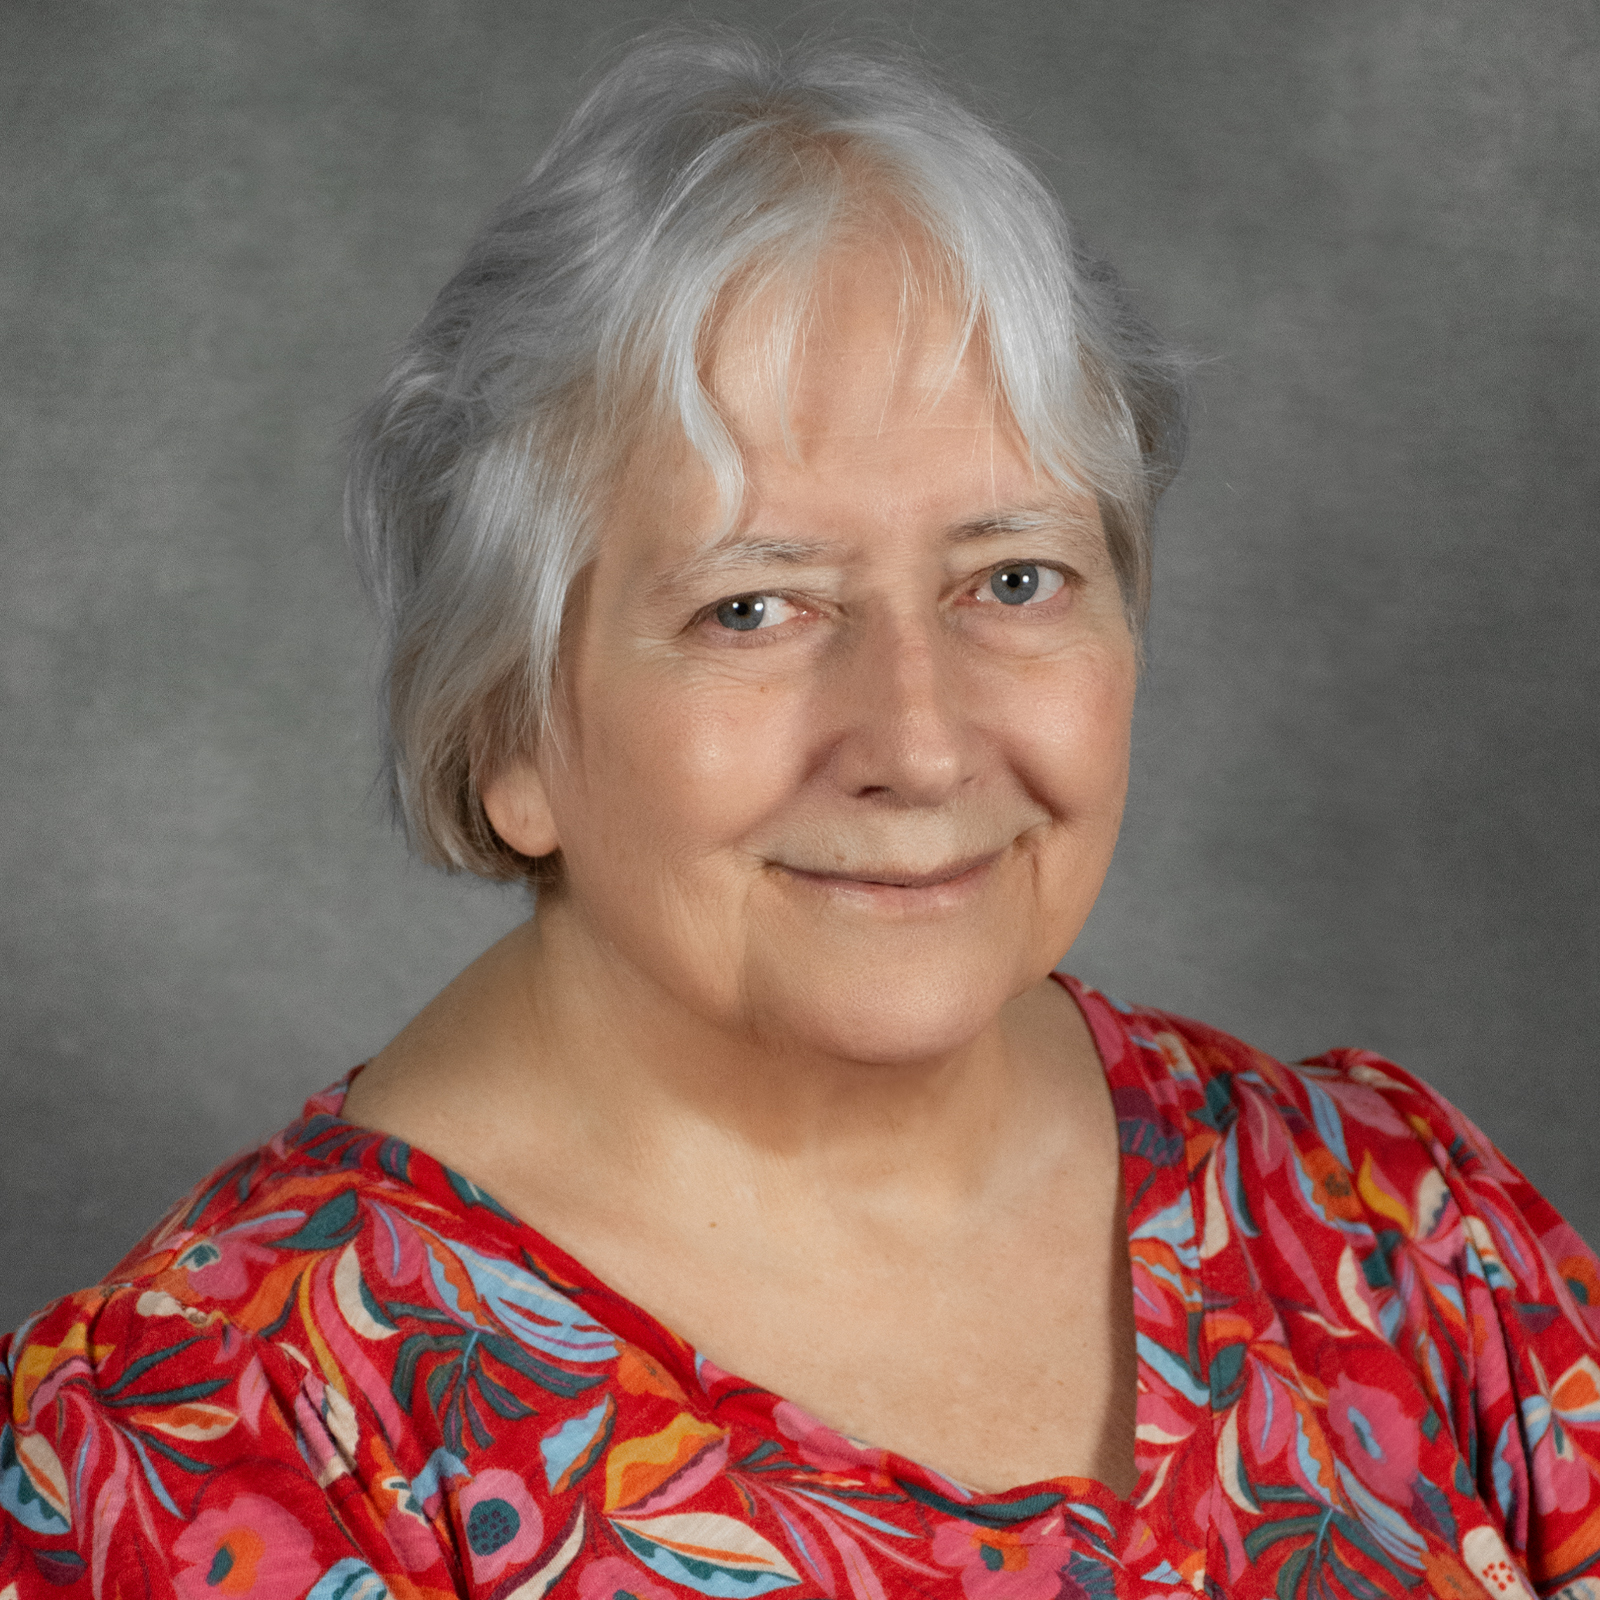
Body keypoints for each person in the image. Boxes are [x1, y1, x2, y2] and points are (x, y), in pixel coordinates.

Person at [3, 26, 1598, 1600]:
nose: (918, 738)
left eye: (1014, 579)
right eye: (753, 610)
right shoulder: (216, 1444)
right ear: (510, 730)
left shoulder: (1395, 1222)